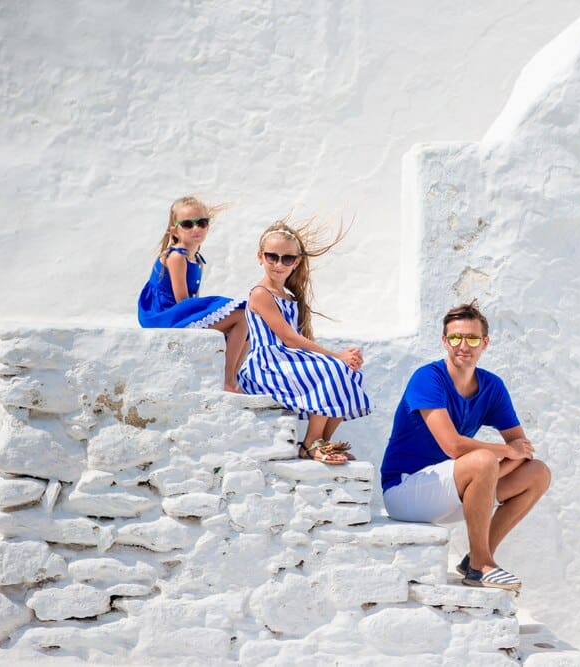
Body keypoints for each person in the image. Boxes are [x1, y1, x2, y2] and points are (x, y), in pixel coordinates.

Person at [381, 301, 551, 590]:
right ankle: (481, 566)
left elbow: (521, 447)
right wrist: (502, 456)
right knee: (482, 459)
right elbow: (454, 447)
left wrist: (485, 480)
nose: (464, 345)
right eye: (455, 338)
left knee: (537, 472)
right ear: (444, 341)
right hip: (406, 491)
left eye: (472, 338)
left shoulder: (492, 386)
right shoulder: (428, 378)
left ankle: (474, 557)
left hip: (451, 491)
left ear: (484, 343)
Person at [237, 219, 371, 464]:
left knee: (348, 373)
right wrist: (335, 355)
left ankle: (322, 441)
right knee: (331, 368)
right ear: (260, 257)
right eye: (272, 257)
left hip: (282, 359)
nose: (279, 264)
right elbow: (288, 338)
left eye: (287, 259)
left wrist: (344, 359)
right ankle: (310, 444)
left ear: (296, 262)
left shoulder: (287, 296)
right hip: (267, 365)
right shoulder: (260, 293)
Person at [138, 195, 249, 392]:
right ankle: (228, 379)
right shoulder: (176, 257)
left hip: (181, 311)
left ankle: (232, 376)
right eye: (188, 224)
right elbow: (182, 301)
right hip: (165, 315)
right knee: (241, 315)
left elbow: (192, 299)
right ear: (175, 230)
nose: (196, 229)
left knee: (248, 324)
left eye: (202, 223)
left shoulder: (197, 259)